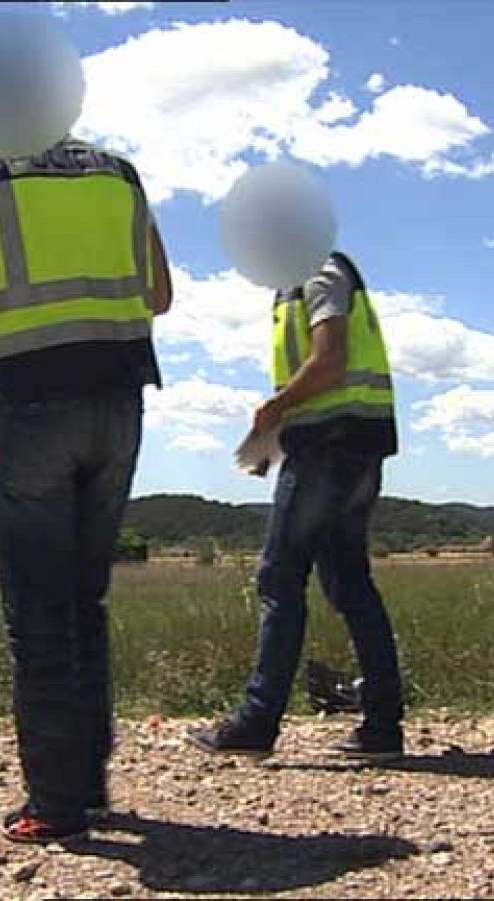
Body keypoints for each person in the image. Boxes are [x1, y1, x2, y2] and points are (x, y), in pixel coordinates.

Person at [0, 134, 173, 842]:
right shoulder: (119, 169)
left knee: (36, 608)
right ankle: (88, 779)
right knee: (83, 597)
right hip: (120, 394)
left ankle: (53, 801)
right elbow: (158, 292)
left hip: (28, 395)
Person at [189, 250, 405, 762]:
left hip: (330, 447)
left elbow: (328, 362)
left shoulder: (318, 273)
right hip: (347, 442)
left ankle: (257, 722)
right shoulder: (301, 283)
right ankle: (381, 725)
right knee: (349, 584)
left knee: (279, 578)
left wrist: (276, 406)